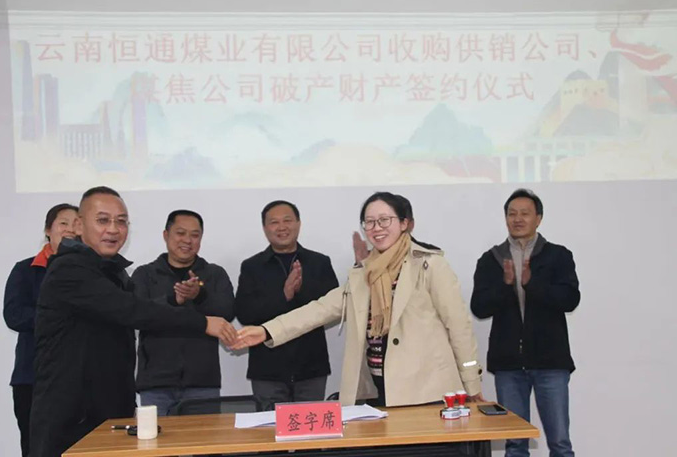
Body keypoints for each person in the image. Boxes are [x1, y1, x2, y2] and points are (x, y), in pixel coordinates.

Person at [30, 187, 238, 457]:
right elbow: (132, 309)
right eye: (103, 220)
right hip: (72, 415)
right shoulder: (70, 269)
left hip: (107, 409)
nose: (113, 229)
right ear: (79, 225)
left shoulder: (112, 271)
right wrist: (202, 322)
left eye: (121, 221)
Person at [235, 192, 482, 407]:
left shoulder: (430, 264)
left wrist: (472, 383)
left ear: (404, 223)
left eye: (385, 220)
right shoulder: (365, 273)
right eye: (370, 222)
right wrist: (266, 331)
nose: (377, 228)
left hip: (427, 390)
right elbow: (319, 309)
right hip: (378, 388)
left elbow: (459, 327)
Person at [470, 188, 580, 457]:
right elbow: (479, 307)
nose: (518, 219)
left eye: (525, 213)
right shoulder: (491, 259)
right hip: (508, 366)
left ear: (538, 218)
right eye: (512, 214)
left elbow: (570, 299)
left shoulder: (558, 255)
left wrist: (534, 284)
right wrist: (506, 285)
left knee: (560, 443)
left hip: (551, 363)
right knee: (515, 444)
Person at [235, 200, 338, 411]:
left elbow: (331, 308)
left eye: (287, 220)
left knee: (311, 430)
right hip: (267, 369)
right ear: (265, 228)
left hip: (311, 367)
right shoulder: (252, 266)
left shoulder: (319, 262)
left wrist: (299, 292)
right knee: (269, 430)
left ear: (298, 223)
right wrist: (283, 295)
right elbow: (245, 313)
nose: (281, 227)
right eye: (274, 222)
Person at [133, 210, 235, 416]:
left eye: (195, 235)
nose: (187, 240)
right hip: (156, 384)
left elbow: (228, 312)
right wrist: (173, 299)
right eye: (180, 233)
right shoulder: (145, 274)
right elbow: (137, 315)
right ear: (166, 235)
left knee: (203, 438)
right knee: (155, 437)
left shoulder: (215, 274)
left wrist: (199, 295)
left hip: (202, 383)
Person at [3, 203, 78, 457]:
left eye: (76, 224)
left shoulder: (92, 272)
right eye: (63, 223)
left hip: (77, 380)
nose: (70, 230)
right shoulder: (26, 270)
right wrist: (57, 316)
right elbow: (14, 315)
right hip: (32, 378)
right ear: (48, 229)